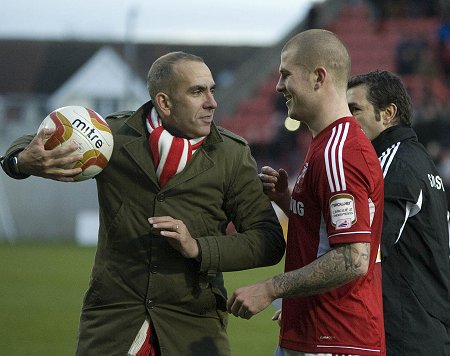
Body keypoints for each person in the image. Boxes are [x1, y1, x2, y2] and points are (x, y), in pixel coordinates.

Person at [0, 52, 286, 356]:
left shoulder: (231, 154)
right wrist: (20, 161)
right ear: (164, 102)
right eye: (197, 91)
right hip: (112, 322)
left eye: (211, 90)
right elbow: (31, 141)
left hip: (193, 325)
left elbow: (268, 240)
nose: (211, 102)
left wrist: (198, 248)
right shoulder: (112, 138)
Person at [227, 29, 386, 356]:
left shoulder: (339, 152)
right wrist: (290, 202)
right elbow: (327, 233)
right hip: (318, 333)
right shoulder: (324, 144)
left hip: (334, 339)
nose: (278, 85)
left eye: (286, 74)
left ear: (318, 77)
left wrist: (271, 289)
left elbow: (352, 259)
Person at [347, 70, 450, 356]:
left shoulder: (394, 164)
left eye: (355, 109)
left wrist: (316, 300)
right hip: (426, 325)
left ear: (388, 113)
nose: (346, 120)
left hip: (404, 331)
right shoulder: (420, 162)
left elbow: (364, 250)